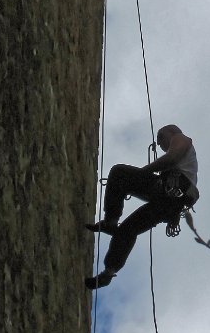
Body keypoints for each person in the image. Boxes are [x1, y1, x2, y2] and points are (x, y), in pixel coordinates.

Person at [85, 124, 199, 289]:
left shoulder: (180, 138)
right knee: (127, 230)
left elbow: (171, 158)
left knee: (119, 173)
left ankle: (111, 220)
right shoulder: (186, 165)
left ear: (172, 132)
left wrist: (145, 171)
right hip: (170, 201)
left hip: (169, 191)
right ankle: (108, 273)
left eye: (161, 136)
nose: (159, 143)